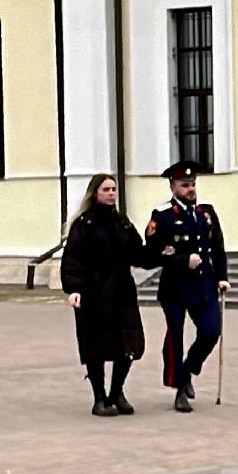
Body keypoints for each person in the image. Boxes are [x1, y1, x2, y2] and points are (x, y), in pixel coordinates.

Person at [60, 173, 150, 417]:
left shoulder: (122, 223)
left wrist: (159, 248)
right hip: (94, 293)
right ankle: (99, 397)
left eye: (113, 189)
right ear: (95, 193)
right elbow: (73, 259)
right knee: (96, 346)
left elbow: (138, 254)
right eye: (106, 189)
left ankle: (116, 392)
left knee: (128, 343)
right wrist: (73, 289)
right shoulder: (85, 225)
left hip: (122, 291)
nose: (111, 194)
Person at [144, 161, 230, 413]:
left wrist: (222, 276)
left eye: (193, 184)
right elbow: (151, 253)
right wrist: (182, 260)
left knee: (211, 331)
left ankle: (190, 368)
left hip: (205, 284)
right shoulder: (162, 216)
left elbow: (218, 249)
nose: (191, 189)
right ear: (173, 187)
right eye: (185, 185)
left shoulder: (207, 212)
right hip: (176, 287)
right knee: (176, 337)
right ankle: (179, 387)